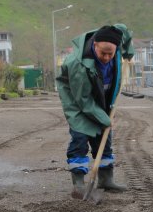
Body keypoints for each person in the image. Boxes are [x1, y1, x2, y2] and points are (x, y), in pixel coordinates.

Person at [56, 23, 133, 197]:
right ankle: (79, 185)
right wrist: (105, 119)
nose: (106, 57)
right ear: (94, 45)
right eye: (102, 53)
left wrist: (129, 51)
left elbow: (124, 31)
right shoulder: (78, 64)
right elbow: (83, 101)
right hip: (77, 100)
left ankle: (106, 179)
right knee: (80, 137)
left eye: (110, 54)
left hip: (102, 95)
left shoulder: (116, 41)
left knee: (103, 139)